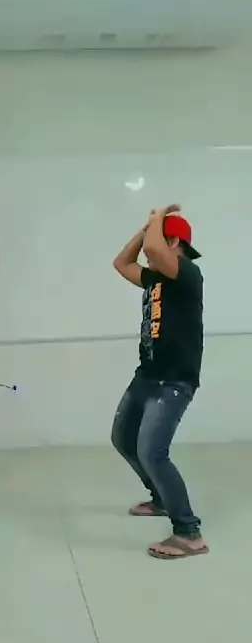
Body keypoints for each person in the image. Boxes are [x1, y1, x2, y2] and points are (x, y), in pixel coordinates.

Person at [111, 204, 208, 560]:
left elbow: (153, 249)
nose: (150, 248)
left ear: (173, 243)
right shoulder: (155, 278)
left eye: (158, 238)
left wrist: (158, 219)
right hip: (147, 376)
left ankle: (189, 533)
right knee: (123, 439)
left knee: (153, 452)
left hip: (174, 380)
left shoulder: (187, 274)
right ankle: (161, 499)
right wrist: (146, 228)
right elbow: (122, 263)